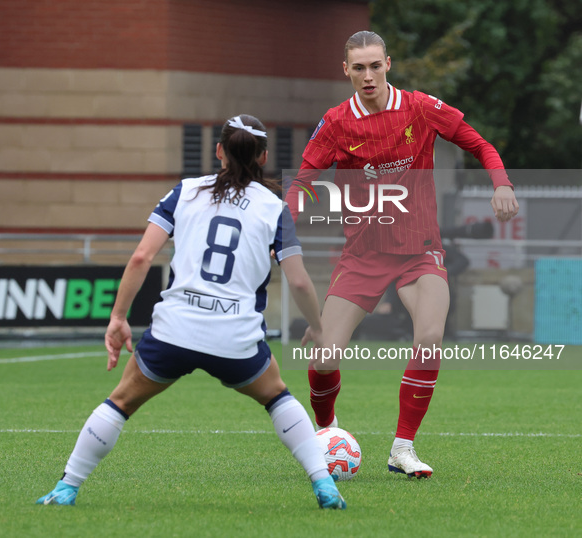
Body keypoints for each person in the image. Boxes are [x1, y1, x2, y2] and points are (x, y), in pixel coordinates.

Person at [36, 114, 346, 510]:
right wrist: (317, 328)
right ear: (264, 156)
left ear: (218, 151)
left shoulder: (185, 191)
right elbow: (300, 282)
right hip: (235, 338)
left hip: (174, 331)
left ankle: (67, 488)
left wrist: (118, 319)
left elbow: (141, 258)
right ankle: (324, 485)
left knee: (120, 403)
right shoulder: (274, 208)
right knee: (278, 397)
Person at [286, 31, 519, 478]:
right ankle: (328, 433)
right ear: (347, 71)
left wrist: (502, 182)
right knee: (324, 356)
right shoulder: (336, 122)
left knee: (430, 337)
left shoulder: (419, 107)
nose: (368, 75)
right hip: (362, 256)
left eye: (375, 66)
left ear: (388, 64)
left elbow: (480, 144)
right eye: (359, 68)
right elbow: (304, 181)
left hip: (419, 250)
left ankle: (403, 447)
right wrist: (286, 213)